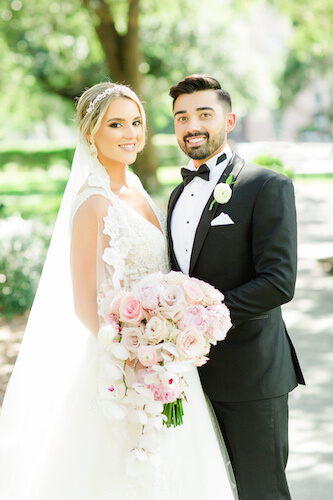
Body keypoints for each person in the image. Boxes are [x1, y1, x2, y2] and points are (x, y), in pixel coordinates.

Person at [0, 82, 237, 499]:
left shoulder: (137, 190)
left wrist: (168, 344)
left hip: (164, 362)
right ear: (92, 133)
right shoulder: (92, 202)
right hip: (124, 368)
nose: (130, 133)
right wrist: (133, 360)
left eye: (136, 122)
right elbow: (82, 302)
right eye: (116, 124)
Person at [167, 74, 305, 500]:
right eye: (181, 117)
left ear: (228, 120)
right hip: (187, 378)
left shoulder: (267, 186)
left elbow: (278, 283)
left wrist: (200, 318)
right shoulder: (176, 196)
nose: (192, 125)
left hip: (252, 375)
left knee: (261, 491)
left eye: (204, 114)